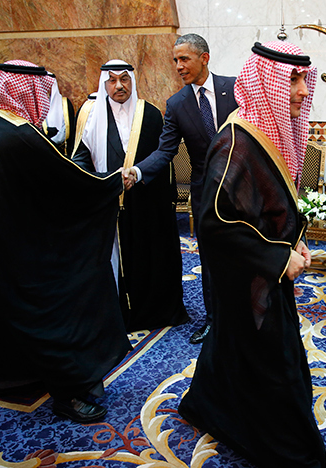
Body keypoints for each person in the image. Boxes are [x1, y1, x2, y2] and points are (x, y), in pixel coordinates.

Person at [177, 41, 326, 468]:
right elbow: (216, 223)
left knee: (234, 344)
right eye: (293, 80)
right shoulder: (237, 144)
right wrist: (277, 258)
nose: (301, 90)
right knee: (269, 357)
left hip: (256, 273)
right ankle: (291, 451)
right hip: (249, 277)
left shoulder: (264, 130)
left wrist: (291, 239)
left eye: (303, 79)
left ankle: (207, 405)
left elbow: (267, 204)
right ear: (271, 82)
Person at [0, 60, 131, 423]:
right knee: (70, 298)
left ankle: (18, 376)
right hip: (22, 252)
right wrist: (114, 181)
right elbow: (69, 183)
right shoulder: (19, 135)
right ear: (27, 91)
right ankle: (70, 391)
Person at [123, 33, 238, 344]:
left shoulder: (236, 88)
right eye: (175, 60)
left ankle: (245, 317)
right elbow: (165, 151)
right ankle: (214, 320)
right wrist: (137, 170)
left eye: (184, 59)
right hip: (205, 196)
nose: (178, 66)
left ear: (205, 58)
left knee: (245, 256)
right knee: (211, 261)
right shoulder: (176, 103)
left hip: (243, 191)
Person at [73, 59, 189, 333]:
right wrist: (101, 185)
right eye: (112, 80)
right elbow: (80, 159)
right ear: (104, 84)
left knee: (150, 257)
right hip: (108, 205)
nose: (119, 86)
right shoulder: (89, 113)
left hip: (147, 205)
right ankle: (118, 313)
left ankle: (153, 311)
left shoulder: (148, 113)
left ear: (132, 81)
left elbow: (163, 158)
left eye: (124, 79)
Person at [44, 72, 76, 156]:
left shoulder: (65, 104)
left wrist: (54, 141)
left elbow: (68, 127)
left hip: (62, 151)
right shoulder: (35, 105)